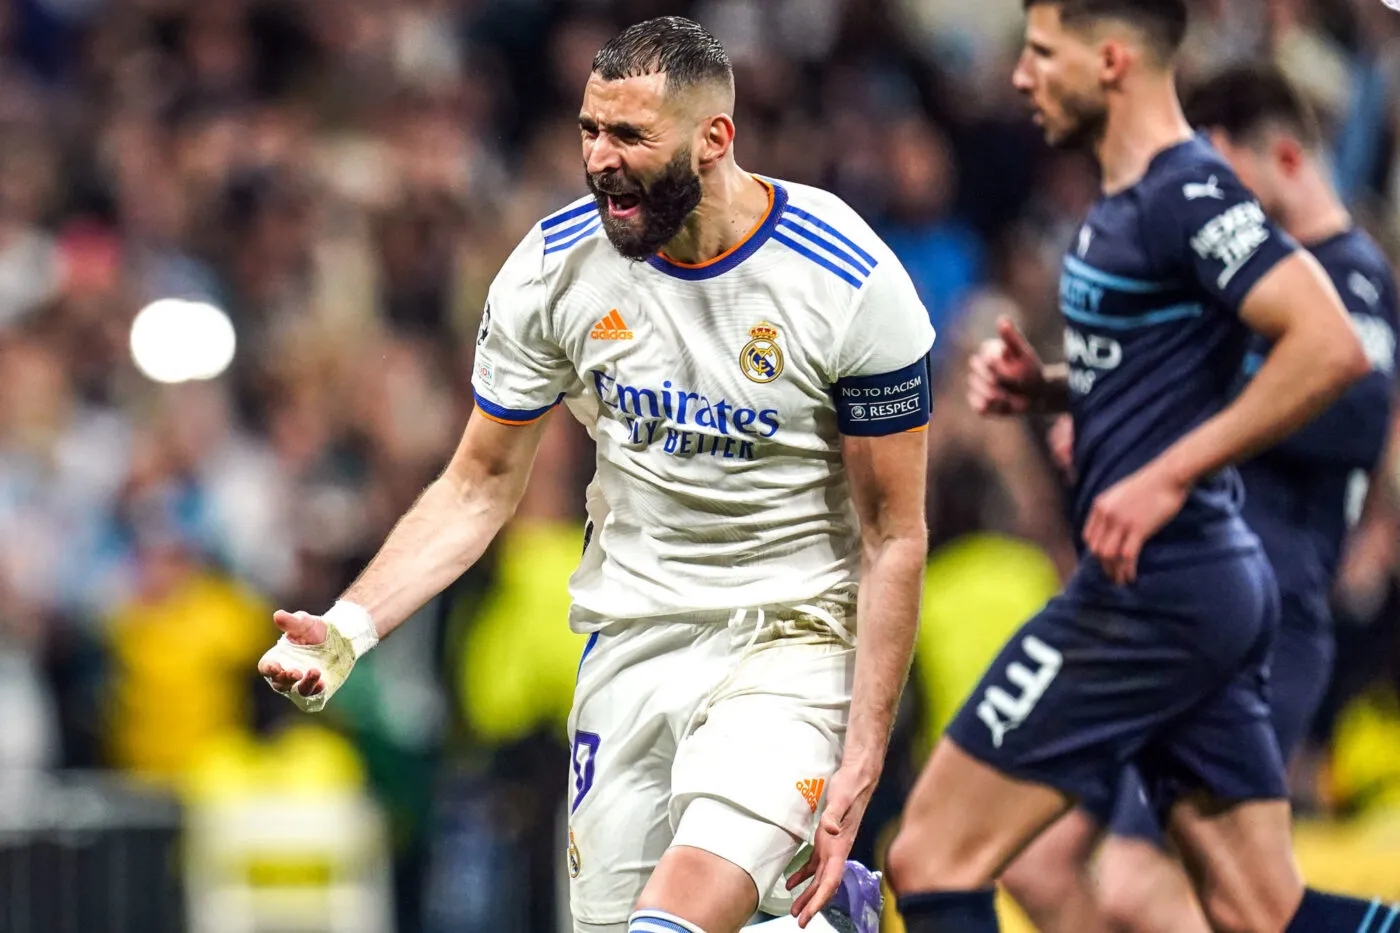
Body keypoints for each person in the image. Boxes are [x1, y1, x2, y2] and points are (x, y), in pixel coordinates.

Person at [257, 16, 933, 933]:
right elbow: (477, 485)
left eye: (629, 136)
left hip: (793, 641)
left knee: (673, 921)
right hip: (631, 644)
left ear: (714, 138)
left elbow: (896, 532)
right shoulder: (552, 270)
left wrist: (863, 749)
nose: (600, 160)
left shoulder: (847, 280)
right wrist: (348, 626)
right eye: (589, 130)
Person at [882, 3, 1385, 932]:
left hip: (1156, 589)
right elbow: (1191, 367)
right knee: (1259, 909)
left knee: (932, 856)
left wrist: (1162, 475)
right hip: (1206, 588)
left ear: (1109, 59)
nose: (1021, 76)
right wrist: (1059, 392)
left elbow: (1329, 348)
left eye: (1041, 53)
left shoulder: (1183, 192)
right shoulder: (1123, 205)